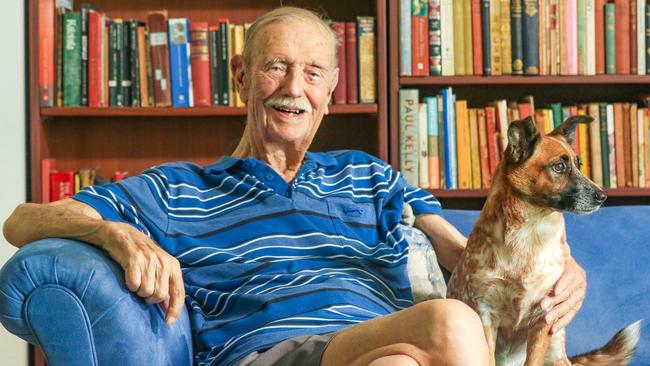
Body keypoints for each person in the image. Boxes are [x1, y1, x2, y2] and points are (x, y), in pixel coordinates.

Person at [3, 7, 586, 366]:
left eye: (312, 73)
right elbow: (21, 220)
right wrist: (115, 234)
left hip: (386, 345)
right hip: (268, 352)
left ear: (331, 90)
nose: (293, 87)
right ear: (240, 76)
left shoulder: (369, 174)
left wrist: (564, 276)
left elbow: (471, 259)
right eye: (275, 66)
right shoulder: (179, 190)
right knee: (452, 322)